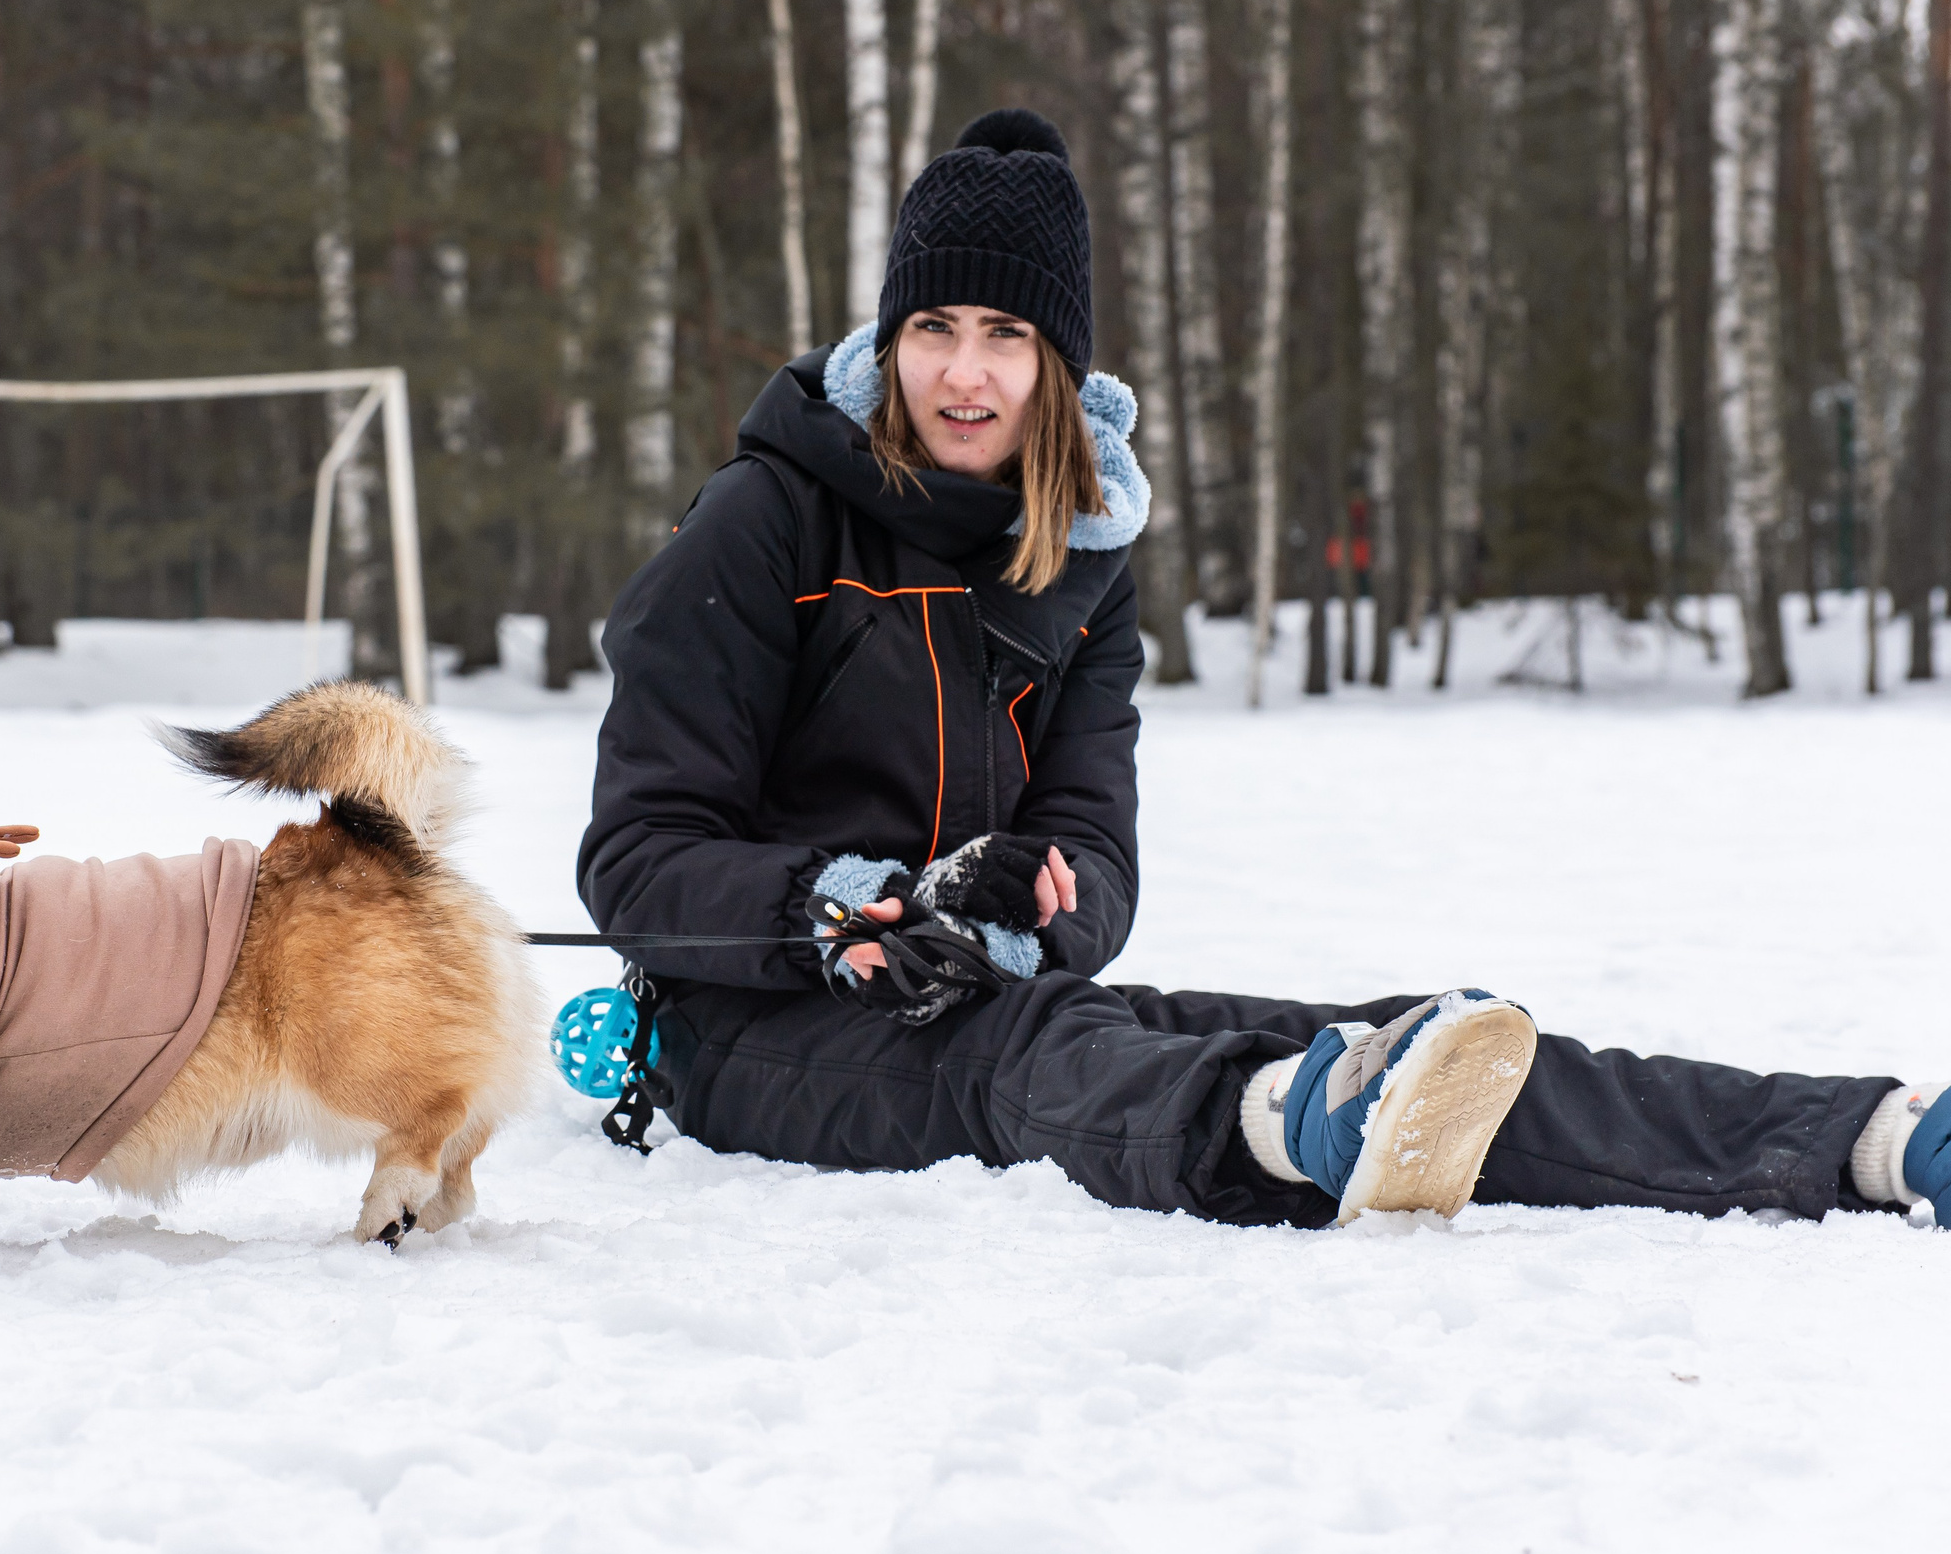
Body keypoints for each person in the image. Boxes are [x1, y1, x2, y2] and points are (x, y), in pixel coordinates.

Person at [575, 107, 1951, 1229]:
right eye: (935, 329)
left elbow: (1092, 857)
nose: (965, 375)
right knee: (1046, 1061)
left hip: (987, 993)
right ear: (890, 342)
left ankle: (1874, 1139)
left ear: (1060, 368)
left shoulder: (1078, 564)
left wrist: (1020, 909)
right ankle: (1292, 1131)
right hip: (754, 1030)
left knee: (1389, 1032)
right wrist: (866, 905)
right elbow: (637, 861)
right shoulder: (766, 522)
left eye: (1007, 336)